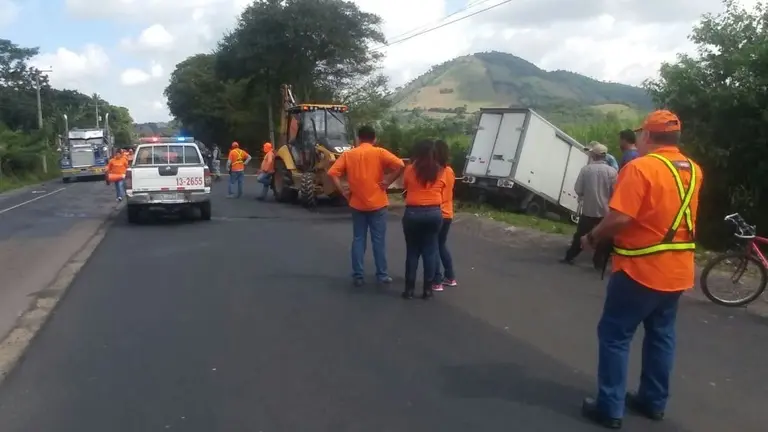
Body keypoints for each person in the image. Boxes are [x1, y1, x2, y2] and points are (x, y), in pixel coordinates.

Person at [579, 110, 702, 429]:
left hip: (640, 269)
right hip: (678, 271)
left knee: (615, 335)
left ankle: (610, 407)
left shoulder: (641, 168)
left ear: (647, 136)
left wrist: (592, 236)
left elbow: (621, 217)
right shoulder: (693, 170)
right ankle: (653, 401)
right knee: (661, 336)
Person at [328, 125, 405, 287]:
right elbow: (400, 165)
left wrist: (343, 191)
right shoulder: (379, 153)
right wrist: (388, 181)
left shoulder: (349, 155)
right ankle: (382, 274)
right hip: (378, 203)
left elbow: (332, 173)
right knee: (379, 241)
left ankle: (358, 275)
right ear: (374, 138)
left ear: (358, 138)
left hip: (357, 203)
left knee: (358, 239)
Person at [401, 139, 448, 299]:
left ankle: (409, 289)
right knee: (430, 251)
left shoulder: (409, 170)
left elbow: (406, 186)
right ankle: (428, 290)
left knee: (412, 252)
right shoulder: (441, 170)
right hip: (434, 213)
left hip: (413, 213)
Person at [562, 143, 617, 268]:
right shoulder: (612, 172)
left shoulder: (586, 170)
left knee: (581, 235)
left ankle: (570, 257)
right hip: (605, 212)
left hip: (588, 210)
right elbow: (615, 192)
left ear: (594, 155)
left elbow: (578, 189)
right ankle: (599, 263)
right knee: (604, 238)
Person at [432, 140, 457, 291]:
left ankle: (437, 280)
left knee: (433, 247)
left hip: (436, 212)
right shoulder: (450, 171)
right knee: (441, 245)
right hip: (448, 213)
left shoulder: (436, 172)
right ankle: (450, 276)